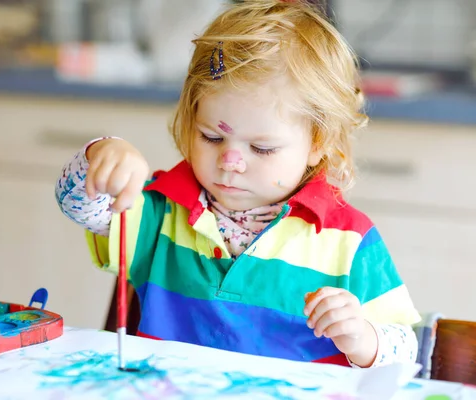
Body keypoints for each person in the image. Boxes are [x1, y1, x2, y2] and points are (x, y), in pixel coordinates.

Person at [55, 0, 420, 368]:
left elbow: (406, 351)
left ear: (317, 143)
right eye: (212, 137)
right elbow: (78, 205)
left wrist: (364, 338)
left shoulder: (349, 241)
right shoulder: (162, 212)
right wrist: (101, 157)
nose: (230, 162)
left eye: (261, 147)